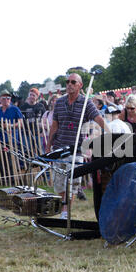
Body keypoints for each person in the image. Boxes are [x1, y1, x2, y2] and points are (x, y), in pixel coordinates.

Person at [46, 73, 109, 219]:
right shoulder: (59, 103)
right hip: (59, 148)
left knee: (72, 183)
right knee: (59, 183)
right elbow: (54, 125)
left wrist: (110, 132)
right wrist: (49, 145)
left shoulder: (86, 103)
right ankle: (64, 207)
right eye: (67, 81)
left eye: (73, 82)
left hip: (76, 149)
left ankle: (66, 211)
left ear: (80, 85)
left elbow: (98, 118)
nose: (69, 84)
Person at [19, 87, 46, 154]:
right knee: (27, 152)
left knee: (40, 152)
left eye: (33, 95)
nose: (31, 97)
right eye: (30, 95)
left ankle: (40, 164)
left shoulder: (41, 106)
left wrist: (43, 132)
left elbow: (45, 118)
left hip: (38, 133)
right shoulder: (23, 107)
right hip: (26, 133)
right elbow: (20, 119)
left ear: (37, 97)